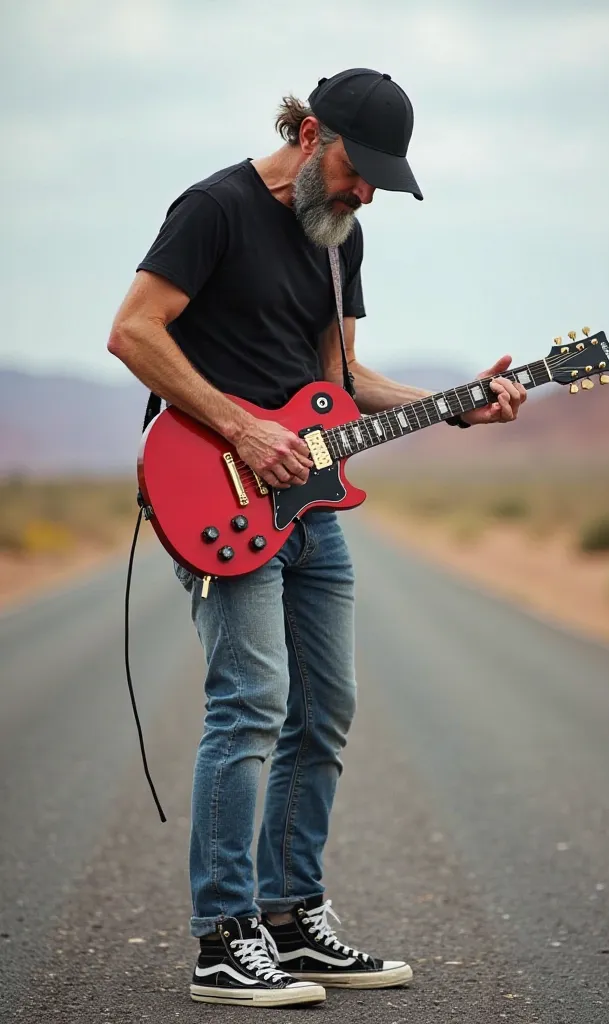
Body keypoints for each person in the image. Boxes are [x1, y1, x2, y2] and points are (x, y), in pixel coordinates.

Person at [108, 67, 527, 1009]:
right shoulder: (211, 210)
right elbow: (134, 331)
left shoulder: (342, 237)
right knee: (250, 702)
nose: (366, 191)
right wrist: (244, 427)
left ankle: (291, 918)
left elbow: (340, 378)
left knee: (324, 708)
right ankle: (223, 937)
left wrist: (459, 405)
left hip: (310, 507)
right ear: (307, 133)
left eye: (380, 181)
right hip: (212, 487)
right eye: (358, 169)